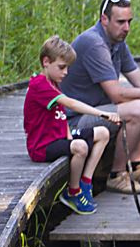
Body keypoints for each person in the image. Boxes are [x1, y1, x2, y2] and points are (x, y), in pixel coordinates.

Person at [61, 0, 140, 195]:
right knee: (138, 109)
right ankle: (116, 176)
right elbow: (117, 95)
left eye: (129, 21)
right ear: (104, 19)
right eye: (120, 22)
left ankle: (134, 166)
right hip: (75, 120)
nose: (126, 28)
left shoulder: (117, 41)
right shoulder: (94, 43)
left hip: (100, 111)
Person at [23, 35, 121, 215]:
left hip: (58, 138)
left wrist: (69, 136)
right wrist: (102, 113)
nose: (66, 72)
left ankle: (85, 183)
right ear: (46, 62)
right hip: (42, 146)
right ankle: (72, 192)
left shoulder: (53, 84)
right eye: (62, 67)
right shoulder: (39, 85)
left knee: (103, 133)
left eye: (67, 67)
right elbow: (72, 104)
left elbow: (60, 116)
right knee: (80, 146)